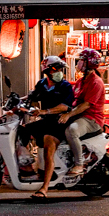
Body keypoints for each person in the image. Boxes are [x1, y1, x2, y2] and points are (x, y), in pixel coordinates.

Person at [19, 56, 74, 200]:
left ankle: (44, 188)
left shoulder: (65, 86)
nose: (60, 72)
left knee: (48, 147)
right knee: (21, 131)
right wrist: (18, 101)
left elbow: (65, 106)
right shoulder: (42, 84)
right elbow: (32, 96)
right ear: (49, 71)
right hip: (45, 121)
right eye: (58, 69)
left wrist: (45, 111)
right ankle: (28, 168)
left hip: (59, 123)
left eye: (61, 70)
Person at [58, 48, 105, 176]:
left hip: (91, 119)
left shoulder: (96, 82)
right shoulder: (81, 81)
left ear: (89, 63)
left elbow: (86, 105)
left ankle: (79, 164)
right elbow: (73, 99)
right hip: (79, 116)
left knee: (72, 130)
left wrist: (69, 114)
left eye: (81, 61)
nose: (79, 64)